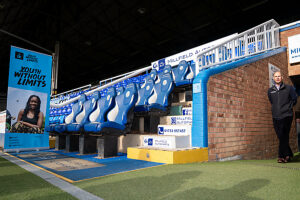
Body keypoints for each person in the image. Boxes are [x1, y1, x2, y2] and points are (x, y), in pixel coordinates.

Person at [268, 71, 297, 163]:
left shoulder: (289, 88)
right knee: (281, 136)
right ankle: (288, 154)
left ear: (282, 77)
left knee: (284, 135)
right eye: (275, 76)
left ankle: (281, 156)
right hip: (276, 116)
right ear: (273, 78)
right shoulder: (270, 90)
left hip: (287, 115)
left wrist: (288, 108)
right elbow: (272, 101)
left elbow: (294, 99)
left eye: (279, 76)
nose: (277, 78)